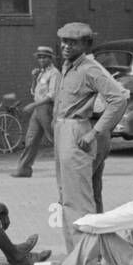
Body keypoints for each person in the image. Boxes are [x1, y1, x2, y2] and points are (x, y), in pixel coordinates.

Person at [51, 23, 127, 252]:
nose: (66, 45)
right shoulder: (68, 67)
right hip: (63, 130)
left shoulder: (90, 68)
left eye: (73, 42)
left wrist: (95, 132)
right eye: (63, 40)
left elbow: (119, 99)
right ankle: (85, 257)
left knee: (78, 202)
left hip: (78, 130)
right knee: (70, 198)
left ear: (86, 44)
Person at [12, 46, 59, 178]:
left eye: (44, 57)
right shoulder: (41, 73)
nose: (41, 59)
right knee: (30, 140)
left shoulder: (54, 73)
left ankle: (69, 166)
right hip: (38, 109)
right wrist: (33, 78)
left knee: (55, 138)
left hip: (47, 108)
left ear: (51, 58)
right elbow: (34, 92)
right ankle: (24, 169)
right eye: (39, 57)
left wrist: (33, 105)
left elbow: (52, 95)